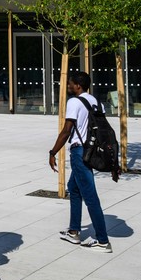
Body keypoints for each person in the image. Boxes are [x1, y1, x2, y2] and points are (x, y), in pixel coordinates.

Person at [50, 71, 115, 252]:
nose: (69, 87)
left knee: (90, 196)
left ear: (78, 85)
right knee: (75, 189)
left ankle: (103, 241)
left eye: (70, 84)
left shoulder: (74, 102)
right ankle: (74, 231)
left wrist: (53, 152)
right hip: (92, 151)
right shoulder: (96, 102)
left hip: (80, 152)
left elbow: (66, 130)